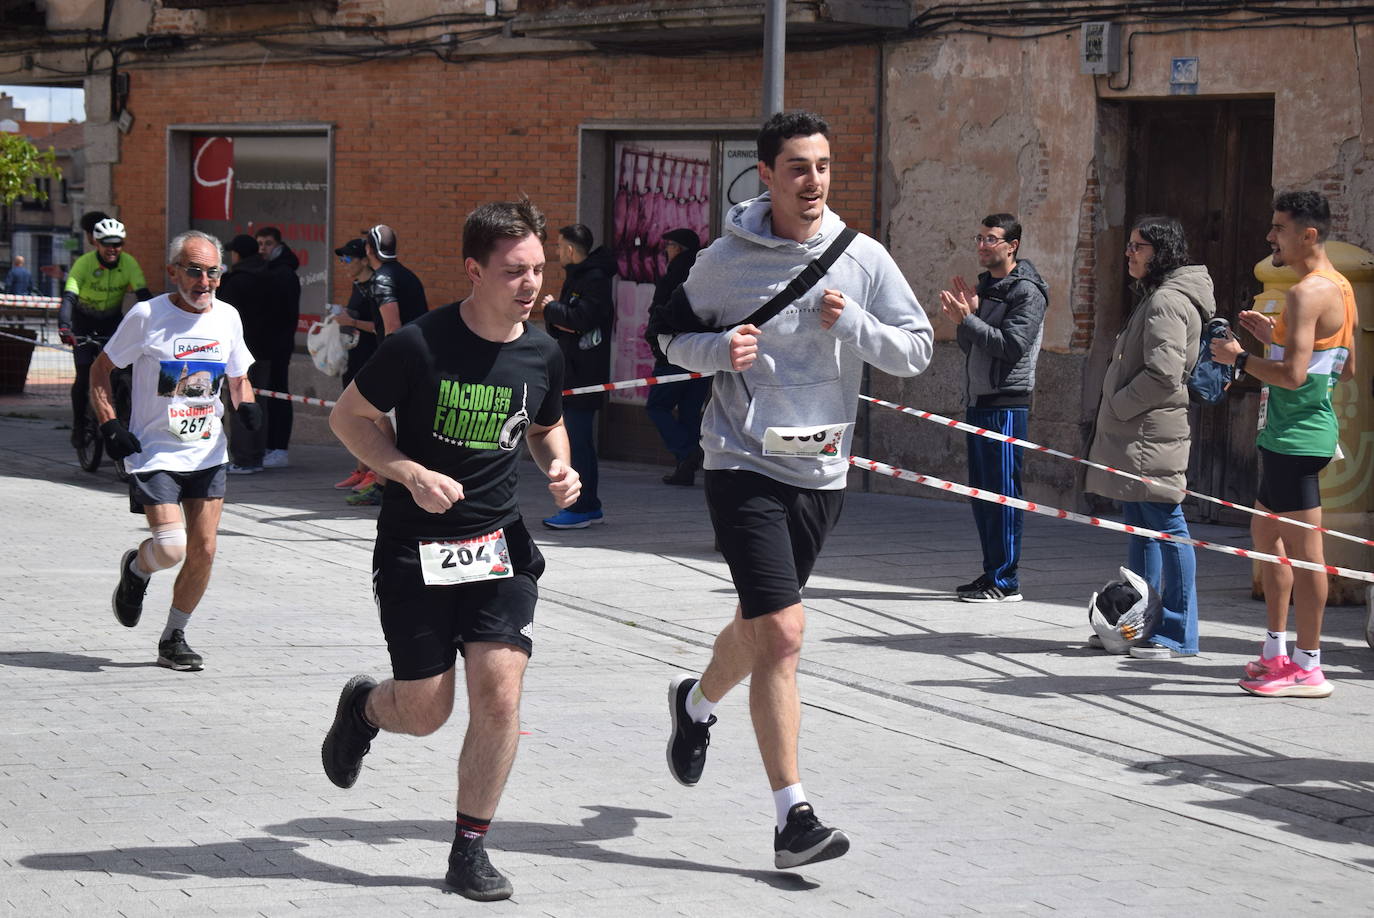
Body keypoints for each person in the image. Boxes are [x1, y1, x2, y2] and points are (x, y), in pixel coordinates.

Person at [657, 111, 933, 868]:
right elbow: (665, 335)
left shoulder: (864, 257)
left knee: (759, 624)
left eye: (823, 165)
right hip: (741, 461)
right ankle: (793, 818)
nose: (814, 181)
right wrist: (718, 349)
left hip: (822, 466)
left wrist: (857, 330)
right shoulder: (720, 263)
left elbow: (916, 351)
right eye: (798, 168)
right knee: (783, 632)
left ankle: (695, 702)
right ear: (768, 176)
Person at [322, 198, 579, 901]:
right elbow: (351, 418)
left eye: (537, 269)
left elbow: (544, 427)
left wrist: (559, 465)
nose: (530, 284)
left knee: (499, 695)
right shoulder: (421, 346)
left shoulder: (542, 351)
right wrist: (405, 470)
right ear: (474, 269)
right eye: (513, 272)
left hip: (499, 548)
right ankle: (364, 710)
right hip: (415, 549)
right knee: (427, 711)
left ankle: (470, 849)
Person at [90, 230, 259, 672]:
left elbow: (238, 376)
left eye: (212, 272)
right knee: (170, 548)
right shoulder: (147, 316)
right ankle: (138, 568)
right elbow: (100, 370)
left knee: (204, 550)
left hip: (207, 452)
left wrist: (248, 408)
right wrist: (109, 424)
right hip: (154, 451)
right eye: (194, 270)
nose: (204, 281)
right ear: (173, 273)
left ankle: (173, 637)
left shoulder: (228, 318)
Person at [1211, 191, 1357, 698]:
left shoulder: (1305, 293)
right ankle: (1276, 651)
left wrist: (1238, 357)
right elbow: (1343, 363)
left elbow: (1295, 376)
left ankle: (1309, 667)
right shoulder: (1335, 286)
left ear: (1308, 235)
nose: (1271, 236)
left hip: (1298, 438)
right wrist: (1274, 333)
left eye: (1279, 228)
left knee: (1306, 554)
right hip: (1291, 434)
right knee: (1267, 541)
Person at [1084, 216, 1211, 661]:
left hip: (1149, 435)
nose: (1129, 253)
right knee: (1141, 530)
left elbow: (1163, 375)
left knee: (1167, 528)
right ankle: (1136, 622)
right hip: (1139, 435)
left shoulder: (1166, 302)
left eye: (1138, 247)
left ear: (1162, 253)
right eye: (1130, 245)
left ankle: (1177, 632)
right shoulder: (1156, 297)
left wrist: (1116, 404)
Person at [939, 214, 1047, 602]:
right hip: (979, 400)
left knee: (1002, 495)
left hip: (1006, 403)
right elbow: (975, 347)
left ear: (1012, 245)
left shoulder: (1027, 292)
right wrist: (965, 322)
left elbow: (1010, 347)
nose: (983, 246)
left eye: (991, 240)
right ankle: (990, 574)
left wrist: (969, 319)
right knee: (982, 495)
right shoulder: (987, 287)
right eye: (979, 238)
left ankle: (1006, 581)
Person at [343, 224, 430, 506]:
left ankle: (384, 483)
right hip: (420, 357)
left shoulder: (382, 279)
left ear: (369, 250)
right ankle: (391, 483)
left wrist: (385, 367)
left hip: (400, 360)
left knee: (372, 418)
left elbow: (392, 326)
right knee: (393, 422)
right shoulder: (406, 274)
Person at [539, 223, 615, 529]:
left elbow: (581, 319)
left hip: (585, 376)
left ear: (570, 249)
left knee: (578, 443)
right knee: (575, 440)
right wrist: (557, 316)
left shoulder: (593, 279)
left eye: (559, 246)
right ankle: (588, 505)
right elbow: (568, 323)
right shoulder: (579, 277)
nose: (557, 252)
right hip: (572, 372)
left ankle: (582, 506)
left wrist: (551, 309)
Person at [58, 216, 153, 447]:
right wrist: (64, 325)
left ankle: (121, 410)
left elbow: (144, 296)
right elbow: (69, 297)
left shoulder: (128, 263)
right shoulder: (84, 263)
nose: (113, 249)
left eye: (118, 244)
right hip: (83, 322)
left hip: (111, 321)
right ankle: (79, 424)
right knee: (83, 376)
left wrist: (156, 322)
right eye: (107, 244)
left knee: (124, 370)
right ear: (96, 243)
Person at [646, 228, 711, 486]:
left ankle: (687, 452)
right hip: (702, 354)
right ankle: (685, 468)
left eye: (670, 245)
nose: (667, 251)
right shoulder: (704, 274)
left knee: (657, 406)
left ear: (680, 249)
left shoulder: (675, 276)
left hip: (675, 353)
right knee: (689, 411)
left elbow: (662, 313)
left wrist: (656, 340)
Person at [218, 235, 275, 474]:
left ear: (238, 255)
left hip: (241, 351)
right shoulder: (270, 276)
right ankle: (257, 456)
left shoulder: (236, 282)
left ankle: (243, 459)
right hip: (264, 349)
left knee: (239, 401)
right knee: (258, 403)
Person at [250, 226, 301, 469]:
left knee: (279, 393)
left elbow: (282, 313)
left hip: (278, 345)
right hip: (267, 344)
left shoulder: (283, 273)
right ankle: (271, 445)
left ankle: (279, 448)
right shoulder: (268, 269)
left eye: (267, 243)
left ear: (279, 245)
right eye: (259, 243)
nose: (262, 248)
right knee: (268, 395)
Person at [331, 236, 378, 491]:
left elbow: (382, 326)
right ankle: (361, 469)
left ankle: (374, 472)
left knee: (371, 419)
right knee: (352, 417)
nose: (344, 263)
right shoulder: (357, 286)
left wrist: (352, 322)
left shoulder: (376, 286)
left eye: (348, 258)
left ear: (363, 260)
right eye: (341, 259)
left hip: (371, 358)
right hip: (354, 355)